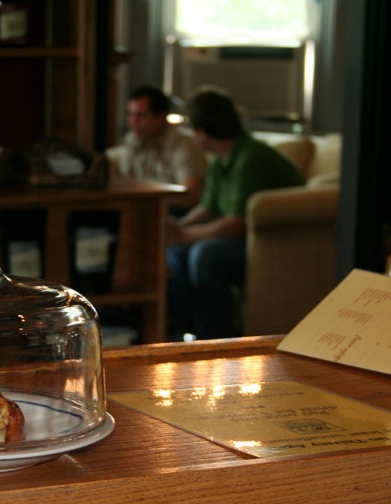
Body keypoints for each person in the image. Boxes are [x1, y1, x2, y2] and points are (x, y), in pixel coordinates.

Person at [166, 86, 305, 340]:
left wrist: (186, 235)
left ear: (203, 131)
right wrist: (178, 228)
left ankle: (216, 338)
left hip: (273, 244)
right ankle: (188, 332)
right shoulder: (221, 158)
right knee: (173, 252)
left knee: (204, 254)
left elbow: (235, 224)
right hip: (246, 238)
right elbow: (208, 208)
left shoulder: (250, 157)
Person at [106, 85, 209, 212]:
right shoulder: (132, 140)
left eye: (141, 115)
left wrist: (145, 196)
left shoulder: (183, 144)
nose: (133, 121)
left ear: (161, 117)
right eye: (130, 114)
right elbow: (127, 180)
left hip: (177, 212)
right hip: (146, 208)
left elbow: (189, 196)